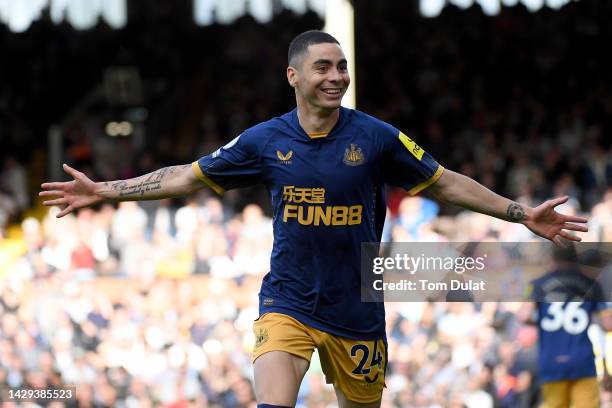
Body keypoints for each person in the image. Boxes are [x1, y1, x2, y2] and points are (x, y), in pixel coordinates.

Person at [40, 30, 588, 408]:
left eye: (342, 66)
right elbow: (187, 176)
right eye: (323, 67)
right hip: (289, 301)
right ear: (293, 75)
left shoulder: (376, 136)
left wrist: (520, 215)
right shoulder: (264, 140)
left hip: (357, 312)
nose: (336, 76)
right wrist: (104, 190)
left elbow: (443, 180)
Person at [520, 246, 612, 408]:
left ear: (551, 258)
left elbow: (524, 316)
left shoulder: (537, 284)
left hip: (551, 361)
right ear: (575, 257)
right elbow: (608, 324)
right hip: (583, 360)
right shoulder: (591, 284)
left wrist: (541, 321)